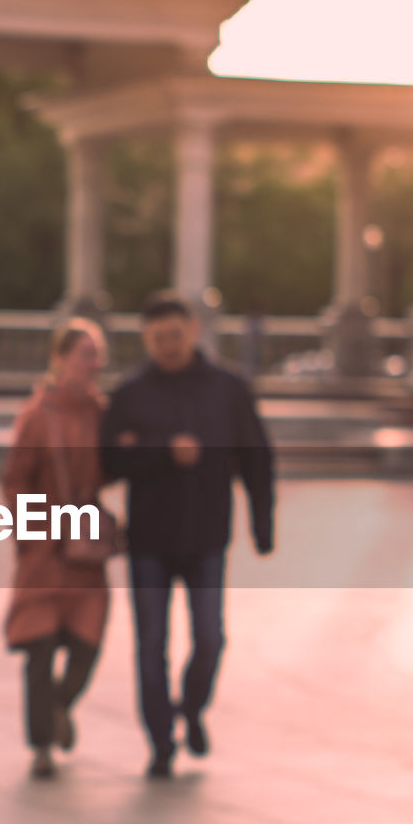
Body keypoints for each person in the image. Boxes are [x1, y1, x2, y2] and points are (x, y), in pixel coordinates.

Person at [101, 292, 274, 778]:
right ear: (146, 340)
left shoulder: (229, 389)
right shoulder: (130, 393)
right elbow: (108, 462)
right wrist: (159, 451)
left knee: (211, 637)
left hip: (207, 536)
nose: (168, 346)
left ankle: (193, 708)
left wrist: (263, 523)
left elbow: (256, 456)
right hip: (150, 541)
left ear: (193, 331)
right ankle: (160, 743)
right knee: (150, 644)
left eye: (175, 336)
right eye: (158, 340)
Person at [2, 319, 111, 779]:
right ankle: (42, 743)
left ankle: (61, 706)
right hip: (46, 545)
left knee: (87, 641)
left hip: (85, 547)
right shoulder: (37, 415)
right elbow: (14, 481)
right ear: (61, 358)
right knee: (40, 646)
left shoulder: (103, 413)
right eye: (86, 353)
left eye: (98, 353)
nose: (95, 363)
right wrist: (31, 536)